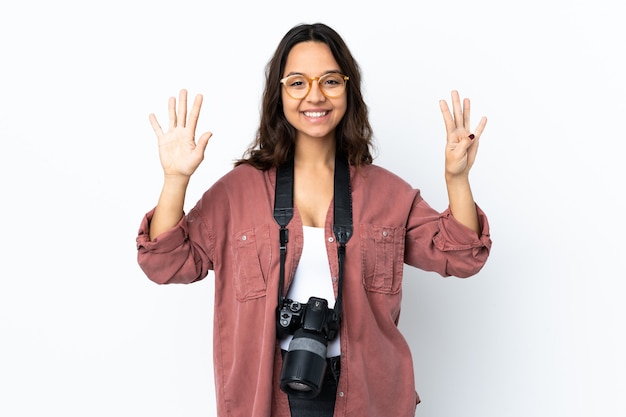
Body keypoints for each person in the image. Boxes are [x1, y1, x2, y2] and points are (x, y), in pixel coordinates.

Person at [136, 22, 492, 417]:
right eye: (298, 83)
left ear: (348, 89)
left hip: (369, 398)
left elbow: (462, 256)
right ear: (280, 94)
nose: (315, 96)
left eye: (330, 81)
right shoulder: (238, 192)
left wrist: (456, 178)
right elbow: (165, 263)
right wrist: (175, 180)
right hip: (268, 397)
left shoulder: (388, 194)